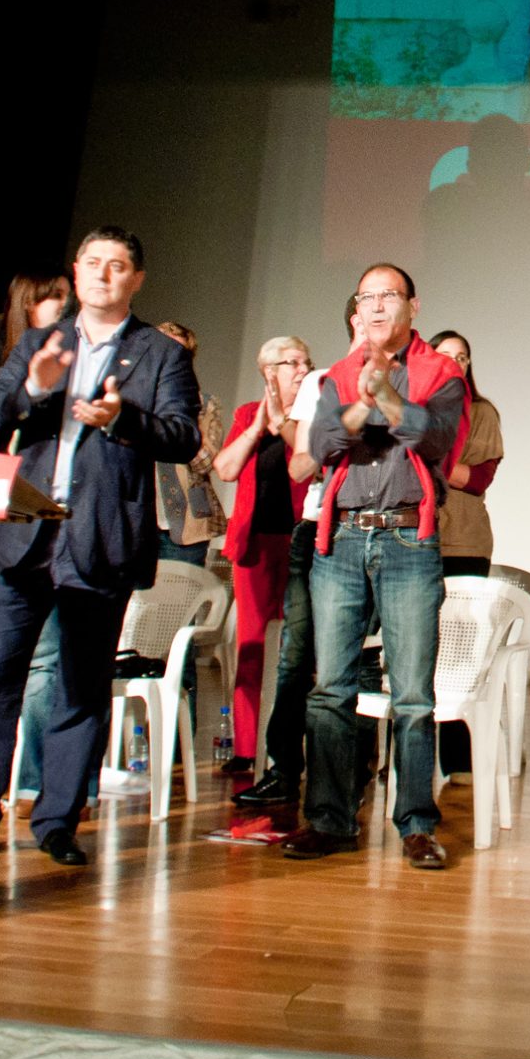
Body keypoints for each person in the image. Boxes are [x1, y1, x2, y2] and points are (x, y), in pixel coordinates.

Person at [0, 227, 202, 868]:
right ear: (76, 270)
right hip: (24, 534)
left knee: (81, 687)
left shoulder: (159, 353)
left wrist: (122, 420)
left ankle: (58, 819)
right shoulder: (39, 342)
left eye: (118, 267)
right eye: (92, 263)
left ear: (136, 280)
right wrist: (31, 387)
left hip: (100, 537)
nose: (103, 275)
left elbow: (181, 436)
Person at [290, 263, 468, 869]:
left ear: (412, 306)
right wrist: (357, 407)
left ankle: (416, 824)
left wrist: (388, 397)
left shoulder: (439, 371)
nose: (374, 307)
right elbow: (317, 449)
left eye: (386, 296)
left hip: (406, 540)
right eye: (365, 298)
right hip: (340, 541)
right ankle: (329, 819)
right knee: (330, 689)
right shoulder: (339, 373)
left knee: (413, 694)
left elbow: (438, 441)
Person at [232, 298, 362, 810]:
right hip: (315, 527)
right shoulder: (322, 383)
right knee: (294, 657)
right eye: (367, 306)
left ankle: (349, 775)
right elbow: (301, 465)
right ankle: (282, 768)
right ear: (353, 319)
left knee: (351, 663)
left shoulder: (406, 379)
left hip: (370, 527)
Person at [212, 336, 312, 786]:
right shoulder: (244, 415)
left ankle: (289, 752)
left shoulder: (311, 417)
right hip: (255, 545)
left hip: (300, 547)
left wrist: (286, 423)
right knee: (250, 649)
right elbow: (227, 469)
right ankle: (246, 748)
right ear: (269, 370)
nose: (302, 369)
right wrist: (258, 427)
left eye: (306, 362)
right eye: (293, 362)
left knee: (298, 654)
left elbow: (319, 469)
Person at [428, 329, 502, 779]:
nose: (456, 363)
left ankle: (456, 763)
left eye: (464, 357)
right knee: (408, 651)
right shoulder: (411, 408)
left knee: (455, 654)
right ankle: (395, 756)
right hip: (413, 538)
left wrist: (425, 459)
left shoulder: (482, 412)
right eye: (446, 355)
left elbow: (477, 478)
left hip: (465, 540)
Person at [150, 323, 225, 567]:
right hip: (136, 523)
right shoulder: (130, 398)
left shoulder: (203, 404)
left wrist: (177, 421)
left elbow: (204, 462)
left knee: (180, 601)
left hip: (187, 526)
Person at [0, 271, 68, 375]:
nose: (66, 303)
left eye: (69, 296)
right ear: (29, 301)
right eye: (57, 295)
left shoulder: (71, 335)